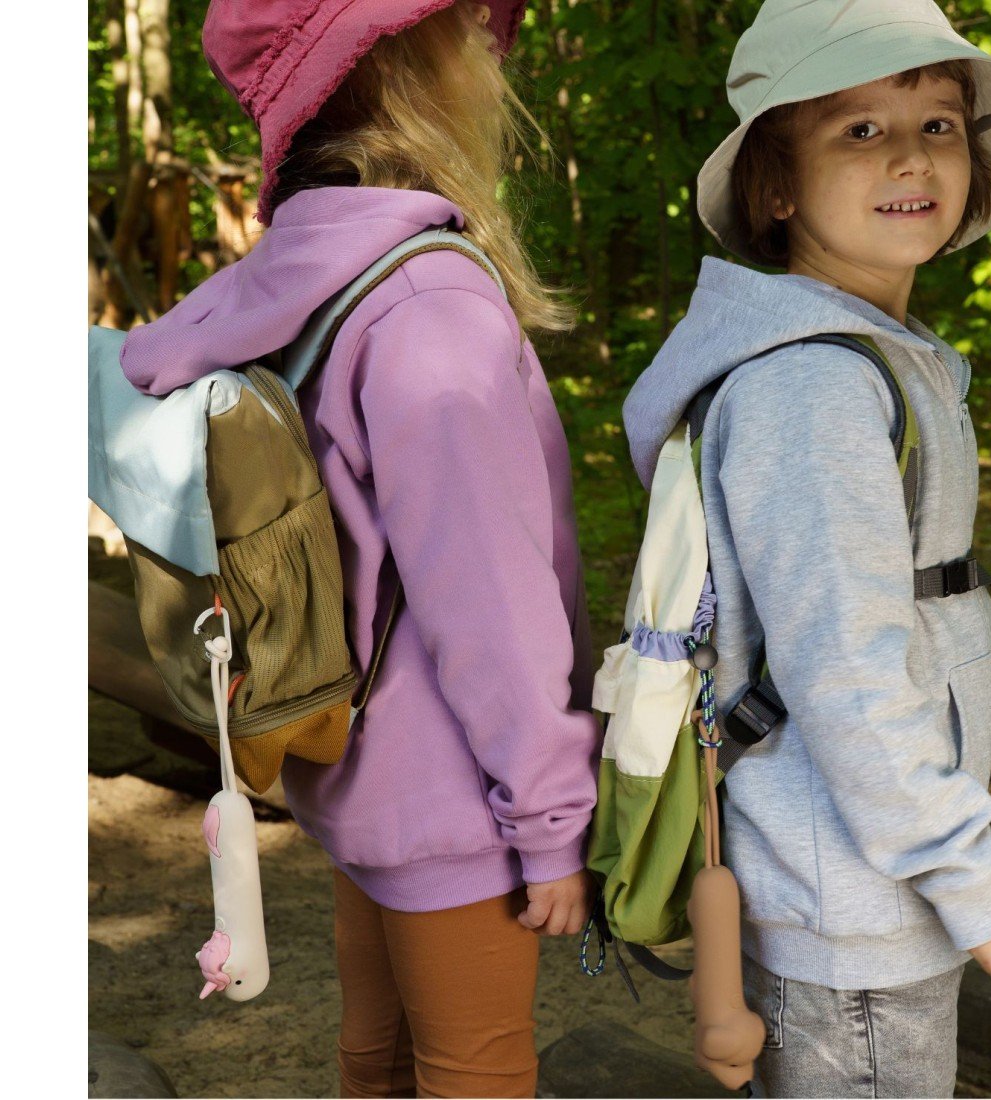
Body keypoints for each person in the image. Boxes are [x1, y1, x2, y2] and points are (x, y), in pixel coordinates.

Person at [119, 2, 600, 1097]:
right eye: (465, 28)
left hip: (345, 765)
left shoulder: (277, 283)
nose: (491, 50)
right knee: (475, 1073)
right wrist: (548, 816)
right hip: (455, 797)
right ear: (408, 67)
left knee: (374, 1064)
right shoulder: (427, 302)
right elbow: (489, 603)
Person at [621, 1, 991, 1095]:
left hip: (864, 882)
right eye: (856, 128)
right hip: (854, 917)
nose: (909, 154)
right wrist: (981, 895)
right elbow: (846, 672)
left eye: (939, 124)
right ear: (775, 186)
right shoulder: (811, 387)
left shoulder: (874, 361)